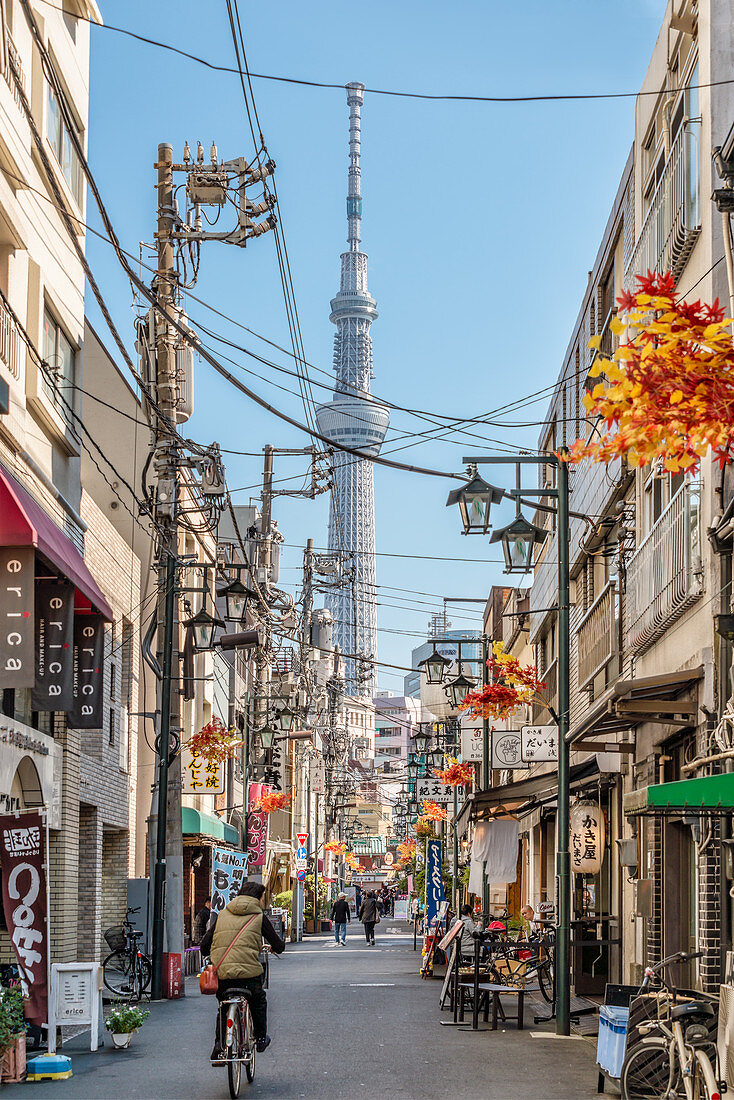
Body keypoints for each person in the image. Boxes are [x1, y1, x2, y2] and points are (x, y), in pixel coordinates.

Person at [200, 881, 285, 1062]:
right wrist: (275, 948)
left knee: (223, 1006)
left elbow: (204, 945)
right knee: (258, 1000)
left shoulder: (223, 915)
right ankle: (261, 1038)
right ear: (258, 898)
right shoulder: (258, 916)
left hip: (222, 975)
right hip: (249, 976)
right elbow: (279, 945)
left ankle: (218, 1044)